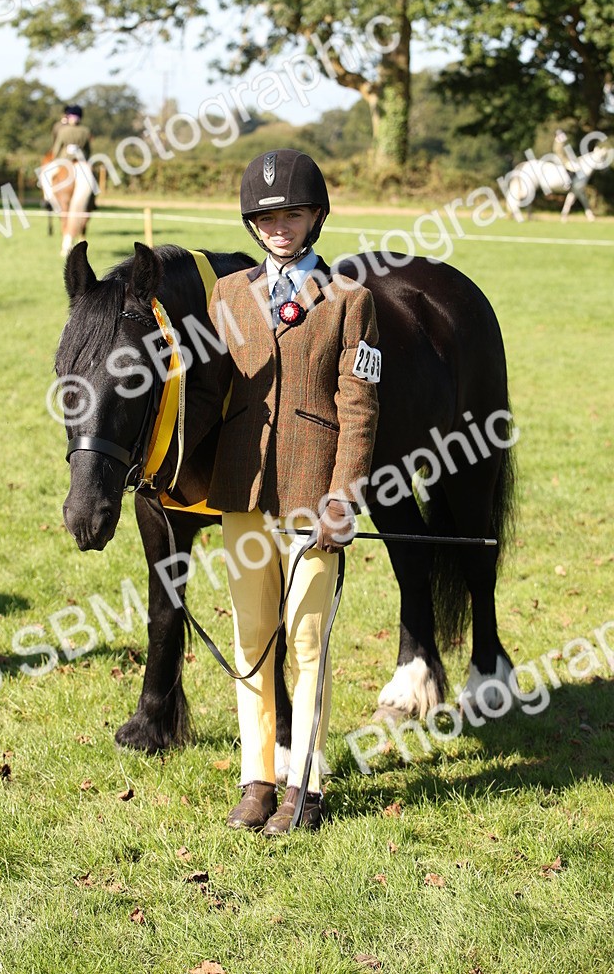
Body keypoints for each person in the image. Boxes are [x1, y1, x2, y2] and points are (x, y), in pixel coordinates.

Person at [206, 149, 380, 835]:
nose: (282, 226)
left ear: (315, 218)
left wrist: (345, 498)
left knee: (307, 642)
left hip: (315, 498)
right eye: (269, 216)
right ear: (253, 222)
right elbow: (211, 395)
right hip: (243, 495)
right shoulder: (227, 297)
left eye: (295, 214)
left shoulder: (349, 301)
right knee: (252, 640)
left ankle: (305, 786)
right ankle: (257, 778)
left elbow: (361, 409)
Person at [42, 105, 97, 255]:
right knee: (92, 180)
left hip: (64, 162)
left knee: (45, 174)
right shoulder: (85, 131)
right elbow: (88, 151)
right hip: (81, 163)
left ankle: (47, 197)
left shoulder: (63, 130)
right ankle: (94, 198)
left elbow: (56, 150)